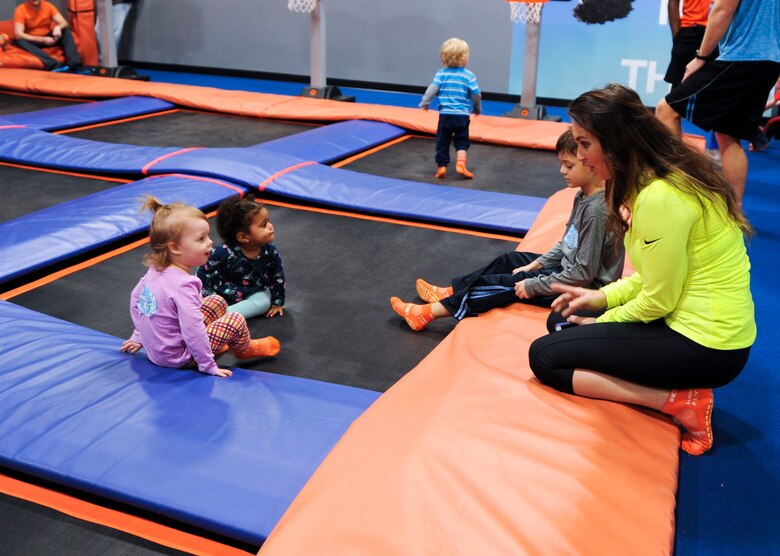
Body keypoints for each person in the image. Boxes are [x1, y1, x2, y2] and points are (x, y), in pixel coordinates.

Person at [529, 84, 756, 456]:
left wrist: (604, 321)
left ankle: (679, 401)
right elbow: (657, 277)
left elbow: (659, 298)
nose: (580, 156)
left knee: (545, 357)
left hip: (707, 346)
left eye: (585, 144)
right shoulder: (659, 177)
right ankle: (669, 385)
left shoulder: (660, 196)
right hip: (700, 328)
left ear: (615, 142)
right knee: (562, 324)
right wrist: (601, 297)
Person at [389, 128, 625, 332]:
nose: (562, 171)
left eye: (568, 165)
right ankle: (450, 291)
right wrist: (537, 264)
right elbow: (568, 244)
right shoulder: (582, 195)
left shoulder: (596, 211)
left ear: (591, 164)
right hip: (571, 271)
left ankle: (427, 312)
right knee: (511, 259)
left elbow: (583, 274)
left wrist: (532, 284)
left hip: (583, 289)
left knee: (507, 283)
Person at [120, 197, 281, 377]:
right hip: (180, 359)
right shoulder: (184, 284)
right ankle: (245, 348)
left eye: (208, 236)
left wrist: (139, 334)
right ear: (175, 248)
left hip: (157, 351)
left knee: (217, 301)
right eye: (201, 238)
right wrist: (207, 365)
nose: (210, 242)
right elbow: (192, 330)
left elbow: (137, 299)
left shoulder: (155, 269)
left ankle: (217, 339)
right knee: (235, 319)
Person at [656, 0, 780, 201]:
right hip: (769, 60)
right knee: (729, 135)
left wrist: (701, 57)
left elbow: (723, 9)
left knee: (666, 110)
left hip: (741, 57)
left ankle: (677, 188)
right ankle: (732, 213)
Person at [197, 195, 285, 319]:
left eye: (268, 221)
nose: (270, 226)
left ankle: (221, 314)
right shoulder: (222, 252)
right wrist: (207, 296)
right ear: (243, 237)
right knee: (202, 295)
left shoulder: (270, 251)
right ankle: (214, 310)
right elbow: (203, 272)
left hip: (252, 291)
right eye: (264, 224)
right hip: (221, 291)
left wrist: (277, 303)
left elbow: (277, 276)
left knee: (264, 303)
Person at [420, 37, 482, 179]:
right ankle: (461, 164)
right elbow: (476, 94)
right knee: (462, 140)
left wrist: (425, 102)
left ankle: (442, 166)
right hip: (462, 116)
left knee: (442, 141)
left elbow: (432, 89)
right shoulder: (469, 76)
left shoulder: (441, 74)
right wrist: (477, 108)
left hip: (445, 115)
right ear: (464, 58)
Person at [13, 0, 82, 71]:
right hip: (33, 40)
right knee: (19, 40)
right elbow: (18, 34)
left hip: (48, 36)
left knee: (65, 31)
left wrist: (57, 28)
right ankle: (54, 64)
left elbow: (64, 22)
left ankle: (74, 63)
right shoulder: (20, 9)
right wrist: (42, 39)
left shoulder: (48, 6)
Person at [663, 0, 715, 88]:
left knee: (714, 86)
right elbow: (673, 2)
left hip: (718, 32)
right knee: (679, 89)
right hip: (689, 31)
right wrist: (677, 38)